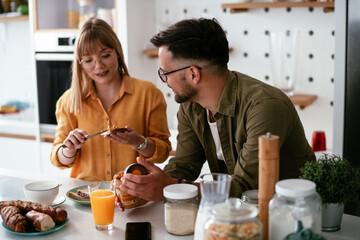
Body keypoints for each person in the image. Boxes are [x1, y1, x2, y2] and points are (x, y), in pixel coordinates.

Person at [118, 18, 315, 204]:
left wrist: (168, 187)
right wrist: (143, 188)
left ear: (193, 74)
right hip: (234, 217)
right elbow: (185, 166)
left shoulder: (265, 106)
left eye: (165, 73)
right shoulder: (190, 105)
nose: (165, 81)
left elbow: (245, 188)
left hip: (291, 215)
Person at [50, 18, 171, 181]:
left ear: (117, 53)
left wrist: (138, 142)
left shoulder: (149, 94)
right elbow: (57, 158)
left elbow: (162, 153)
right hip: (88, 197)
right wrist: (68, 150)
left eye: (105, 55)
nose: (98, 66)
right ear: (80, 64)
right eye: (88, 61)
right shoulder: (68, 101)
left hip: (134, 195)